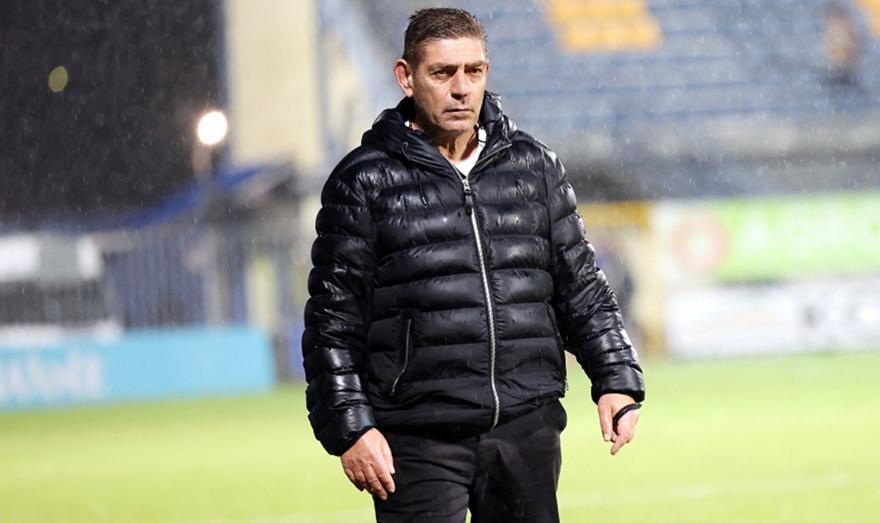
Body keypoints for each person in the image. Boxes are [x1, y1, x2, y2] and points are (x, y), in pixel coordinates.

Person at [302, 8, 645, 522]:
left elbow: (582, 288)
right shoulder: (364, 182)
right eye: (443, 73)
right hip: (416, 438)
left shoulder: (534, 167)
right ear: (406, 77)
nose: (462, 88)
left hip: (526, 427)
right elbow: (332, 322)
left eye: (474, 71)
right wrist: (350, 427)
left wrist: (615, 377)